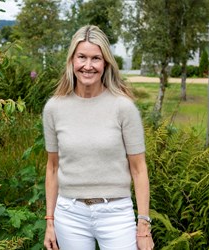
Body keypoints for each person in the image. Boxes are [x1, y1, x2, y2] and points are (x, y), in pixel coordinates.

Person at [43, 25, 154, 250]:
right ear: (72, 60)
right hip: (69, 215)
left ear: (105, 63)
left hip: (115, 214)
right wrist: (50, 222)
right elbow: (52, 167)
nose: (88, 65)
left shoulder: (123, 107)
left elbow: (139, 169)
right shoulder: (54, 108)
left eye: (96, 58)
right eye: (82, 57)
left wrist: (143, 226)